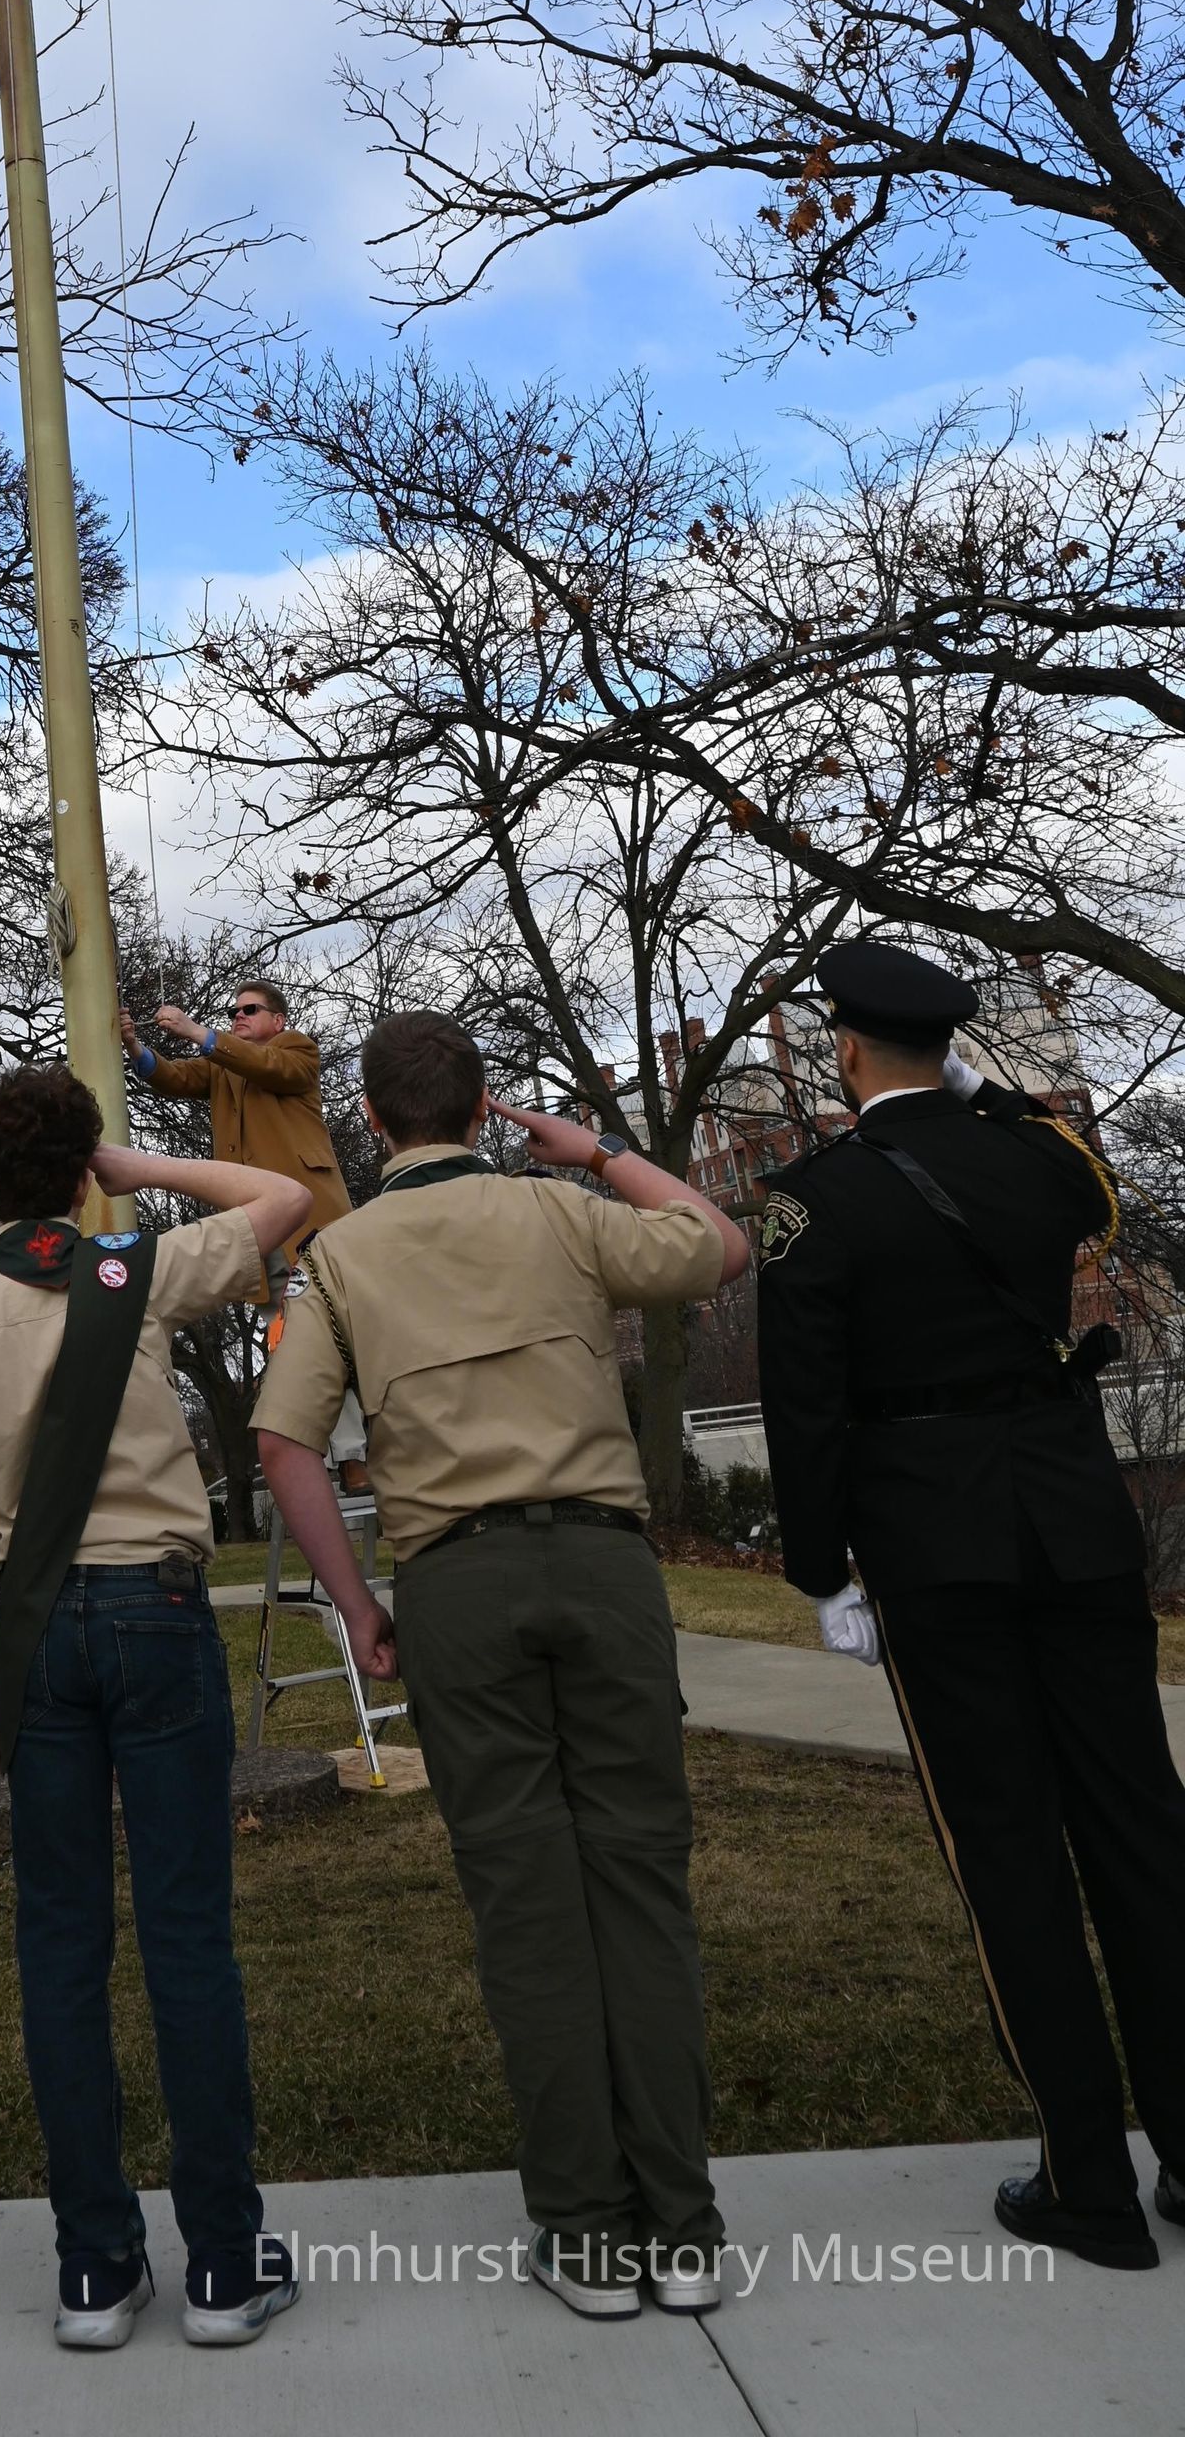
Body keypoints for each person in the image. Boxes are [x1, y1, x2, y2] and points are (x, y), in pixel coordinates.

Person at [253, 1011, 749, 2324]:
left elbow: (286, 1446)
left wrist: (357, 1603)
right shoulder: (562, 1212)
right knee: (639, 1888)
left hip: (457, 1586)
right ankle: (683, 2229)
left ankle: (585, 2234)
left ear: (371, 1119)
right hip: (603, 1565)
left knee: (528, 1907)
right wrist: (597, 1153)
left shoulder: (337, 1257)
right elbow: (719, 1244)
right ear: (482, 1108)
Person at [756, 934, 1185, 2272]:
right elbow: (1086, 1202)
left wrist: (822, 1570)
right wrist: (991, 1103)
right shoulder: (1039, 1160)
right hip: (1075, 1520)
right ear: (947, 1047)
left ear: (843, 1047)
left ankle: (1086, 2181)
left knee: (1009, 1853)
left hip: (935, 1547)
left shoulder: (812, 1203)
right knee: (1144, 1835)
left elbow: (804, 1408)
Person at [0, 1062, 311, 2354]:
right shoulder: (134, 1272)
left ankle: (93, 2267)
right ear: (84, 1174)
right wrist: (136, 1175)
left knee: (60, 1948)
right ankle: (224, 2265)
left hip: (37, 1641)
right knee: (187, 1937)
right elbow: (282, 1197)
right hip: (158, 1610)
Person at [120, 978, 350, 1252]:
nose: (239, 1015)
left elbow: (269, 1065)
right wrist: (134, 1047)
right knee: (262, 1275)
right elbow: (177, 1076)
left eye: (250, 1009)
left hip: (307, 1209)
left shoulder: (298, 1047)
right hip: (250, 1210)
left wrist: (196, 1031)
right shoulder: (222, 1064)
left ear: (278, 1021)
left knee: (315, 1274)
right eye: (234, 1012)